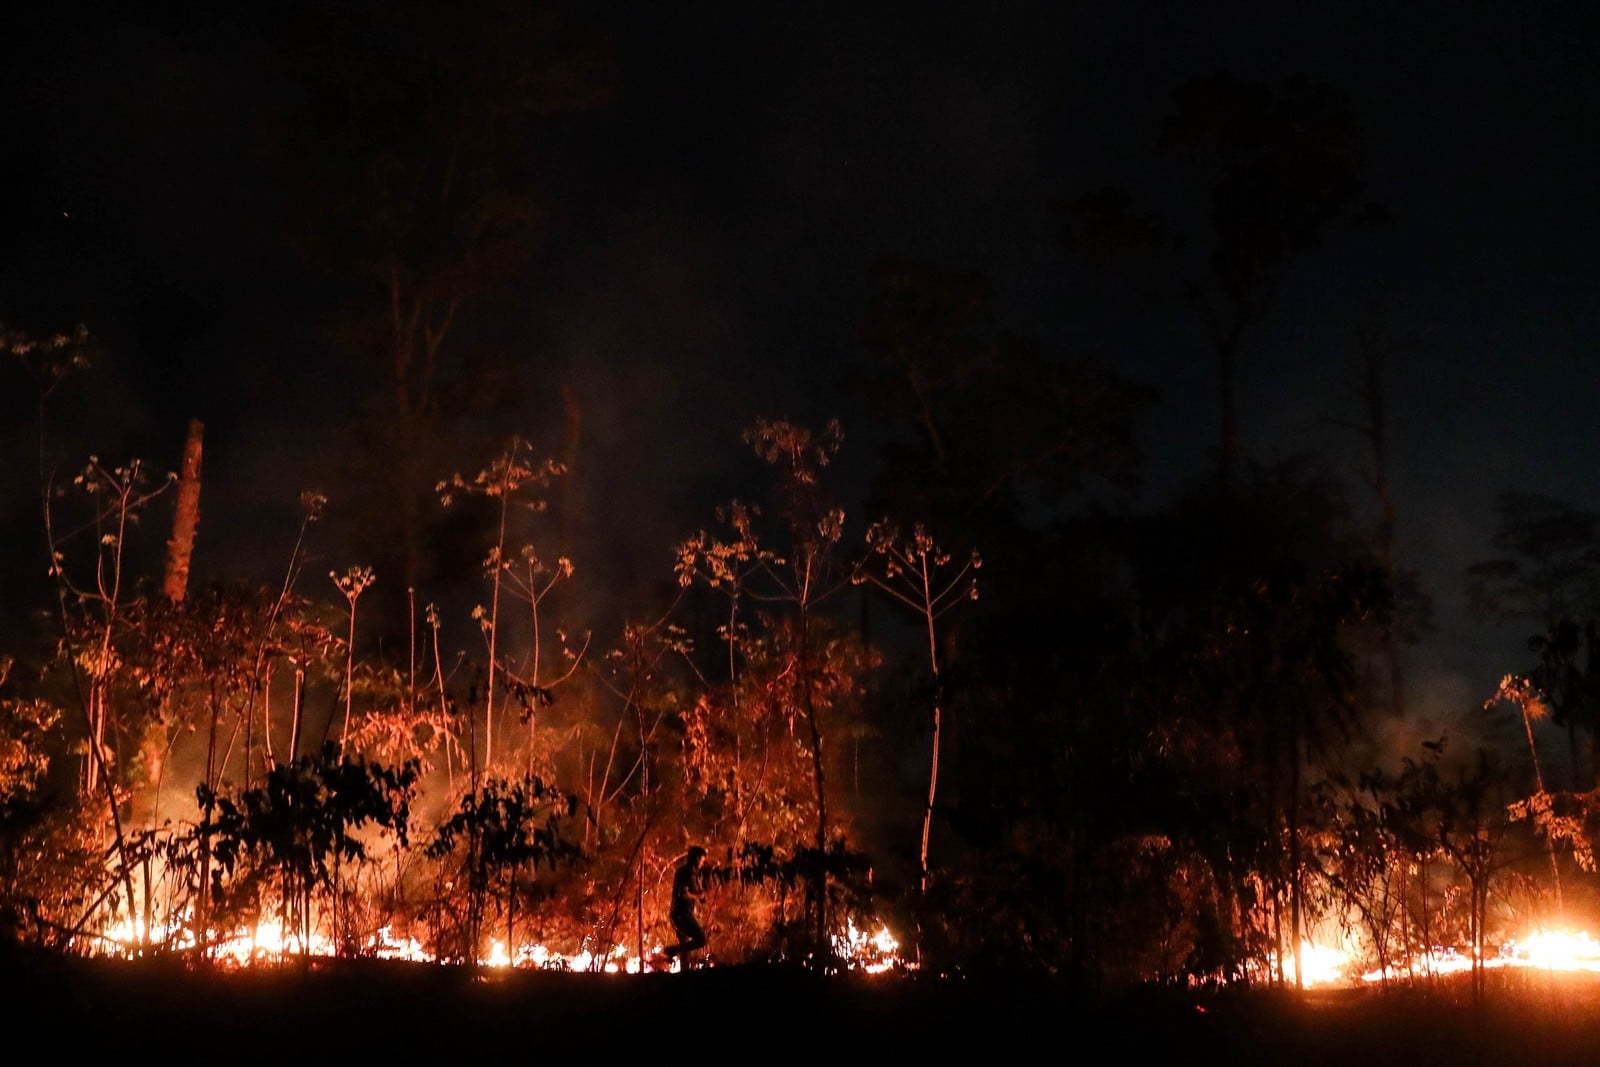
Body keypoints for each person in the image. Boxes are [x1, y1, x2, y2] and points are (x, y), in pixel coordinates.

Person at [662, 845, 708, 966]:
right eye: (702, 860)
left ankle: (683, 971)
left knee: (685, 947)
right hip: (682, 914)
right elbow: (683, 893)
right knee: (701, 940)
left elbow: (694, 892)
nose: (703, 864)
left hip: (677, 913)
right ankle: (671, 950)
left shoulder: (687, 872)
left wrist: (700, 895)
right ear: (697, 859)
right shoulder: (688, 872)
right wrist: (698, 896)